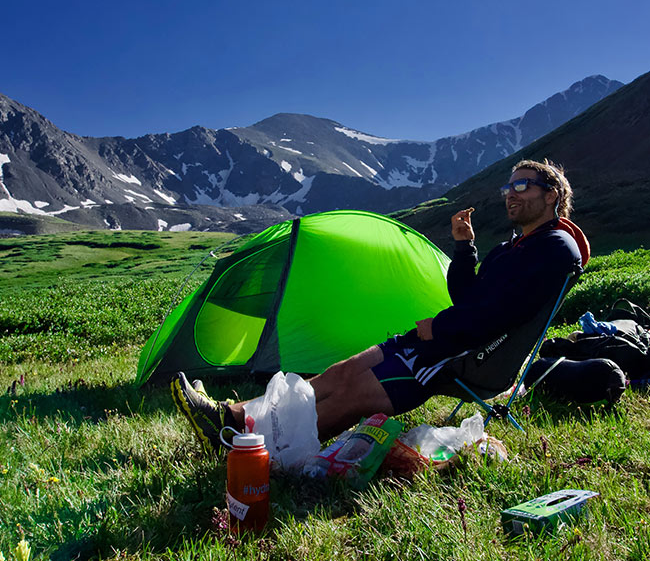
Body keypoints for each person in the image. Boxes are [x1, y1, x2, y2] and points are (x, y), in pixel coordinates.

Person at [172, 159, 587, 450]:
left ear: (551, 195)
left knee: (353, 394)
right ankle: (231, 418)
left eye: (522, 186)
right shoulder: (514, 247)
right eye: (507, 187)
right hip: (446, 340)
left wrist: (440, 329)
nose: (510, 194)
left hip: (468, 356)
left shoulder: (555, 248)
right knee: (340, 372)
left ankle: (255, 448)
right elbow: (468, 297)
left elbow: (504, 314)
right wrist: (464, 247)